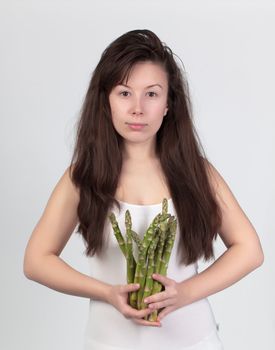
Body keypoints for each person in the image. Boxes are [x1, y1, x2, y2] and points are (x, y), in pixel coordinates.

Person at [23, 29, 264, 350]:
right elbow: (36, 260)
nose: (137, 108)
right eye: (124, 93)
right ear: (106, 101)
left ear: (168, 104)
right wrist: (106, 292)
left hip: (195, 342)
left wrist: (185, 292)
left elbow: (250, 250)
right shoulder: (82, 177)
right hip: (107, 343)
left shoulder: (197, 173)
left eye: (151, 94)